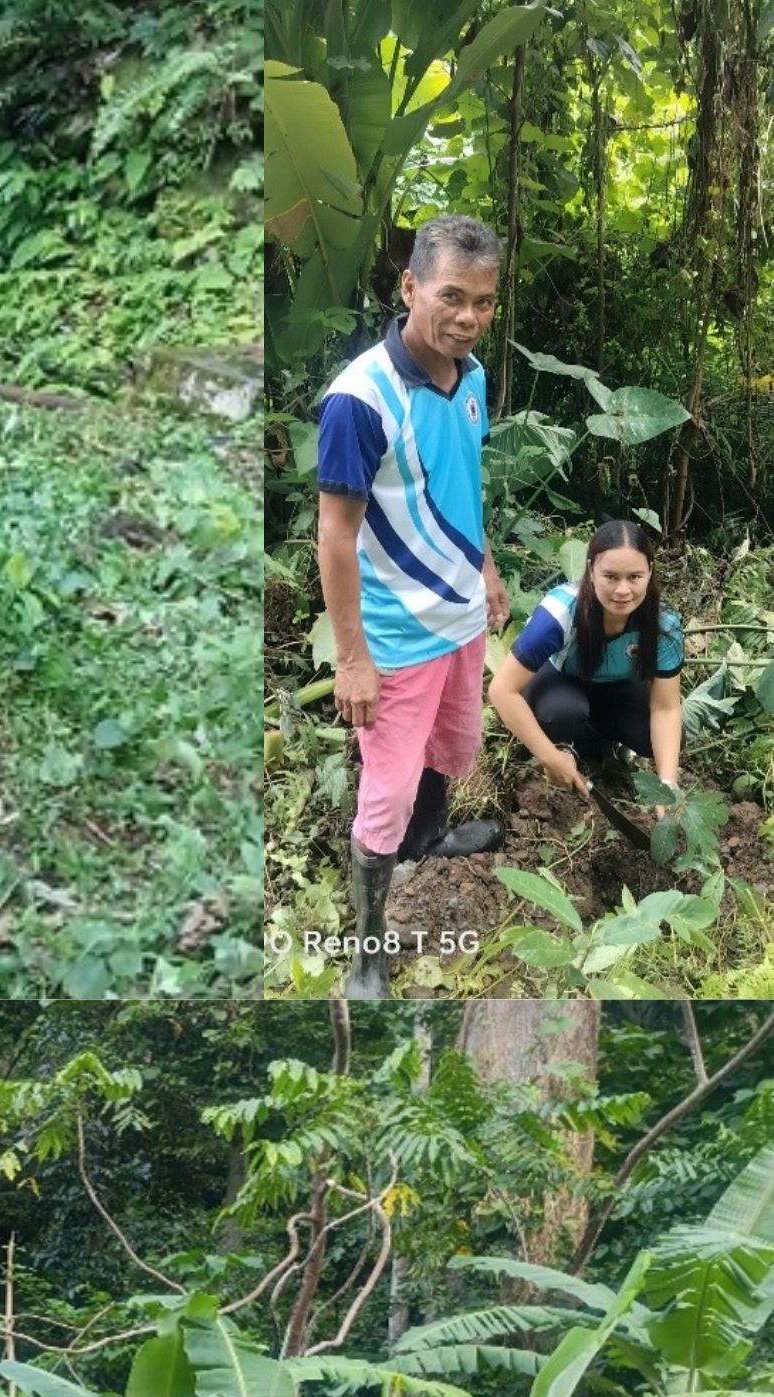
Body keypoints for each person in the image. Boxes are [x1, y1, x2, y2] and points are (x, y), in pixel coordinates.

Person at [316, 214, 511, 999]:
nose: (468, 318)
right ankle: (368, 951)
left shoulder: (472, 379)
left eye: (486, 303)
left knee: (453, 747)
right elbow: (334, 538)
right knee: (384, 791)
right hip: (395, 641)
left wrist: (489, 571)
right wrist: (352, 658)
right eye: (452, 297)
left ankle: (428, 841)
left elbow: (468, 483)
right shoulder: (359, 401)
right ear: (409, 288)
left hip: (462, 620)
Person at [488, 520, 683, 812]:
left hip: (612, 688)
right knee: (564, 715)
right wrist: (549, 757)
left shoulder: (662, 625)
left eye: (634, 577)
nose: (622, 590)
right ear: (591, 571)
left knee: (656, 738)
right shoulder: (560, 613)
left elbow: (665, 708)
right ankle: (566, 745)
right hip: (558, 679)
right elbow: (502, 690)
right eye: (610, 576)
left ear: (650, 573)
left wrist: (667, 788)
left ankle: (596, 740)